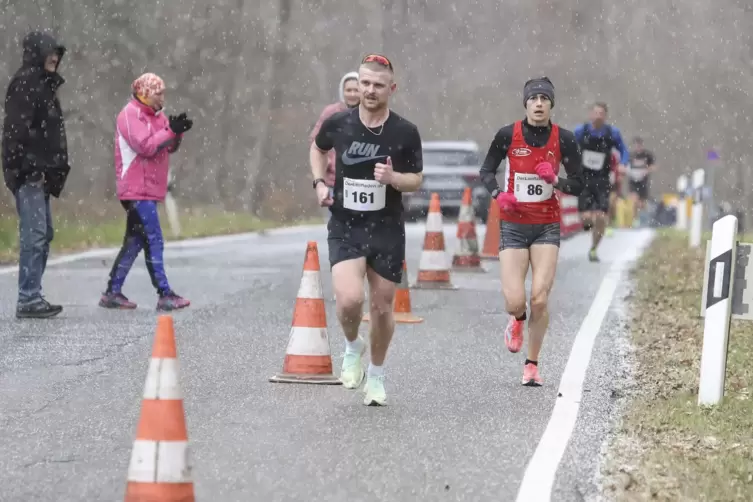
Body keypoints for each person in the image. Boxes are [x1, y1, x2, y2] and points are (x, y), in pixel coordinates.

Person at [310, 54, 423, 406]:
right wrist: (318, 183)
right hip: (346, 223)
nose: (370, 90)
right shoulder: (339, 123)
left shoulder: (405, 132)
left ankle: (375, 375)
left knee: (383, 307)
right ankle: (352, 345)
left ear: (392, 88)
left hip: (387, 227)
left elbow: (415, 180)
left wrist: (393, 178)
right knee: (348, 301)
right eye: (365, 83)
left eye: (377, 84)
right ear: (357, 85)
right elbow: (317, 148)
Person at [479, 77, 584, 386]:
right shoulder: (506, 135)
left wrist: (556, 181)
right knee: (515, 301)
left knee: (539, 298)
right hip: (513, 224)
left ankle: (532, 364)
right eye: (534, 98)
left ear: (552, 104)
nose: (539, 103)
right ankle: (516, 320)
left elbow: (580, 185)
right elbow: (486, 171)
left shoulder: (564, 139)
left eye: (544, 98)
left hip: (546, 226)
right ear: (525, 103)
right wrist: (500, 196)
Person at [98, 73, 193, 311]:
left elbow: (167, 148)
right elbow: (146, 146)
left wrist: (177, 131)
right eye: (158, 93)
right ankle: (164, 293)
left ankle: (112, 292)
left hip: (150, 189)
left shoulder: (157, 117)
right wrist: (169, 131)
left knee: (135, 241)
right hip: (135, 189)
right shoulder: (129, 115)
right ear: (145, 93)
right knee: (154, 239)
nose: (163, 97)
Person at [2, 31, 70, 319]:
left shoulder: (44, 85)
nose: (54, 56)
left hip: (40, 174)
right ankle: (28, 298)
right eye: (49, 51)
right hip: (30, 174)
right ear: (37, 53)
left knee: (45, 234)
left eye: (57, 53)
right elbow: (15, 132)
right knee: (35, 236)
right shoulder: (26, 83)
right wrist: (24, 168)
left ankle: (33, 294)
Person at [573, 102, 630, 262]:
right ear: (590, 115)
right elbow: (566, 145)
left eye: (601, 113)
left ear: (605, 116)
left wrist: (623, 164)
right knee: (586, 217)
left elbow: (624, 150)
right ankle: (589, 224)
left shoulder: (612, 133)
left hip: (602, 179)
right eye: (595, 113)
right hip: (583, 178)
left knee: (601, 217)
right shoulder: (580, 131)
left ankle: (593, 248)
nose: (598, 116)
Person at [308, 71, 360, 202]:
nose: (352, 94)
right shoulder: (332, 113)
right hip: (334, 181)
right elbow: (316, 140)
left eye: (356, 90)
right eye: (349, 90)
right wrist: (329, 159)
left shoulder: (369, 114)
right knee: (336, 221)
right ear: (342, 91)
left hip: (362, 184)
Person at [625, 136, 657, 227]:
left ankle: (644, 220)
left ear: (642, 145)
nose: (638, 147)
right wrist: (628, 171)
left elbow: (653, 167)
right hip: (633, 181)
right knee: (634, 200)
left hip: (643, 181)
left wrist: (646, 170)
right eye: (636, 146)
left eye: (639, 145)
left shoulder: (647, 155)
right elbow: (625, 166)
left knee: (642, 203)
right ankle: (634, 220)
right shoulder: (631, 156)